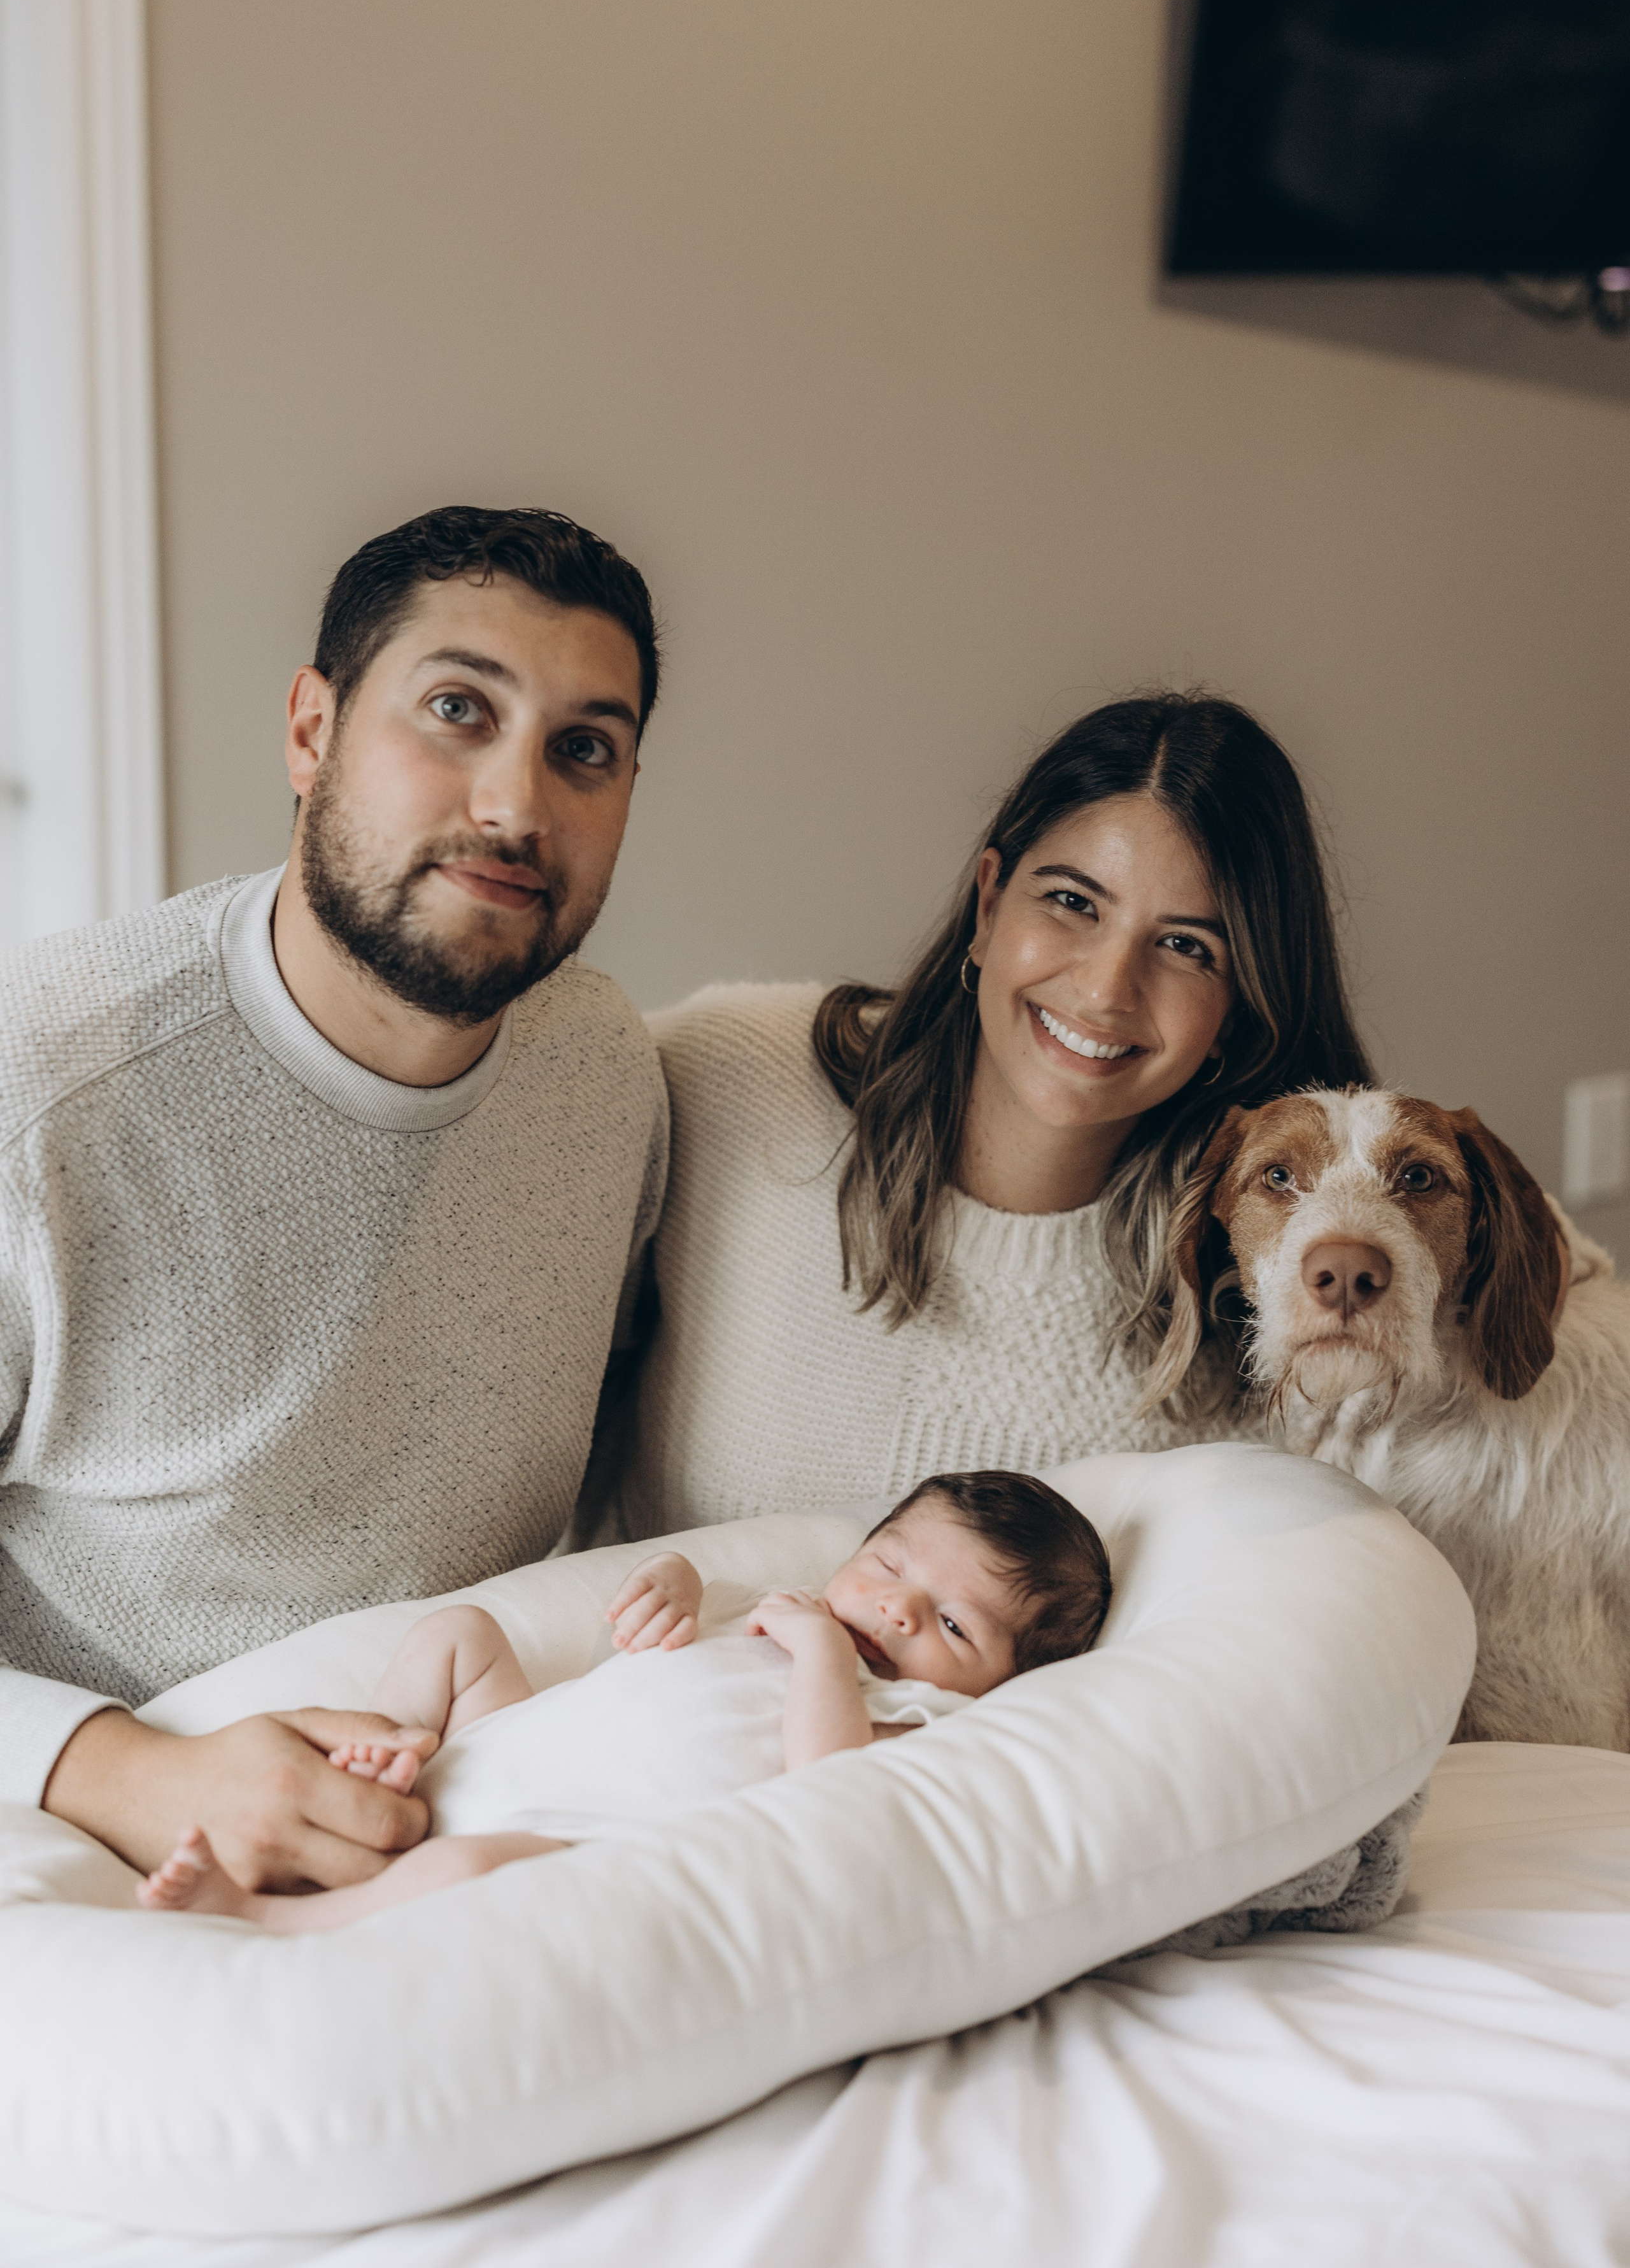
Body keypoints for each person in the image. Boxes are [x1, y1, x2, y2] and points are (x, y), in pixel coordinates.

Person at [1, 504, 668, 1899]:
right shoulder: (43, 1089)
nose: (515, 807)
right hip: (104, 1827)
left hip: (460, 1787)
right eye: (454, 710)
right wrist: (139, 1775)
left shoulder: (607, 1074)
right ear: (311, 732)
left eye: (583, 750)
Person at [596, 692, 1372, 1537]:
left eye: (1188, 946)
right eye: (1074, 903)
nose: (1107, 990)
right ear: (989, 902)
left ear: (1241, 1007)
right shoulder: (727, 1079)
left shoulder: (1276, 1299)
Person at [136, 1470, 1111, 1931]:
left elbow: (828, 1793)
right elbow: (645, 1648)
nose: (898, 1610)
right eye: (891, 1566)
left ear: (1001, 1686)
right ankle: (386, 1752)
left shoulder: (910, 1717)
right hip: (494, 1748)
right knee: (458, 1635)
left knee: (472, 1868)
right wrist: (679, 1580)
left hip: (557, 1840)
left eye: (952, 1628)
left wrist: (822, 1657)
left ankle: (269, 1923)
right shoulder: (782, 1607)